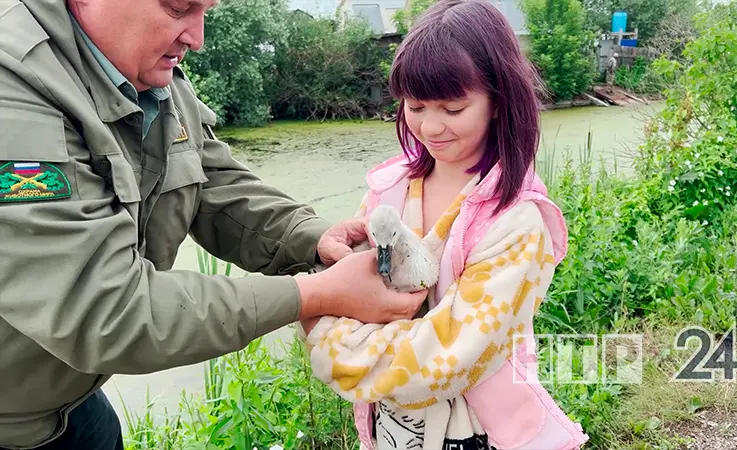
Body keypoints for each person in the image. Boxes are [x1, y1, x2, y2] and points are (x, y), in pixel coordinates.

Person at [0, 0, 428, 449]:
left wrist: (314, 238)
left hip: (73, 404)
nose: (197, 38)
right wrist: (314, 294)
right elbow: (103, 309)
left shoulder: (147, 72)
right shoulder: (15, 89)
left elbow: (213, 183)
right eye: (179, 7)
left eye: (205, 10)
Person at [299, 0, 590, 449]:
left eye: (453, 109)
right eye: (415, 106)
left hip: (475, 432)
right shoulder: (386, 192)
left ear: (499, 101)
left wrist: (321, 335)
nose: (430, 127)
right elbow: (347, 290)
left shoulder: (517, 222)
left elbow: (447, 359)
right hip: (389, 425)